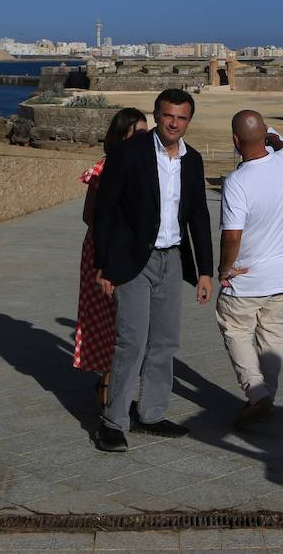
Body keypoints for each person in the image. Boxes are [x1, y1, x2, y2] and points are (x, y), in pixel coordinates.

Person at [91, 88, 214, 452]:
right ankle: (113, 421)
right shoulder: (129, 153)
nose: (174, 123)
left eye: (181, 118)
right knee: (132, 342)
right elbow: (105, 212)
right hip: (132, 261)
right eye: (167, 116)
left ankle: (152, 414)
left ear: (189, 121)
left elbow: (199, 216)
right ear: (157, 116)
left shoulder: (192, 160)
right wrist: (103, 265)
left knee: (165, 342)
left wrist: (205, 270)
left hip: (172, 260)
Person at [216, 110, 283, 428]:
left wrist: (224, 269)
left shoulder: (238, 182)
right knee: (273, 334)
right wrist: (272, 136)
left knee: (235, 329)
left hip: (249, 278)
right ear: (264, 134)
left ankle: (257, 393)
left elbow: (232, 235)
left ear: (235, 141)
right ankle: (267, 395)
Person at [75, 107, 148, 409]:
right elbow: (89, 215)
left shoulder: (145, 166)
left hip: (129, 252)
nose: (146, 139)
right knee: (112, 321)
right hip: (105, 252)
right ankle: (108, 388)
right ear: (122, 136)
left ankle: (113, 389)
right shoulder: (104, 169)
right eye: (139, 133)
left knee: (126, 322)